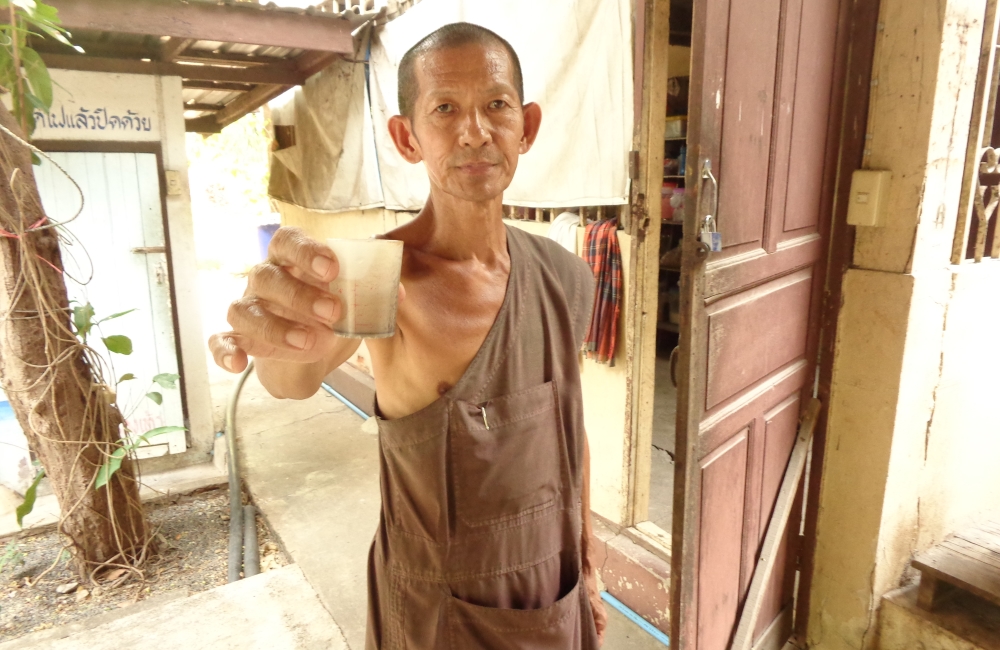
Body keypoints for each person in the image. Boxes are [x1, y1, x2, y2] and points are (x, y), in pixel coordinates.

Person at [209, 22, 608, 649]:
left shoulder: (563, 276)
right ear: (407, 137)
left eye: (496, 106)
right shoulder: (380, 276)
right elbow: (292, 378)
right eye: (445, 109)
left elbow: (570, 430)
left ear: (525, 127)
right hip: (436, 616)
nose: (475, 131)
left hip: (552, 597)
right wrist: (276, 339)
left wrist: (586, 560)